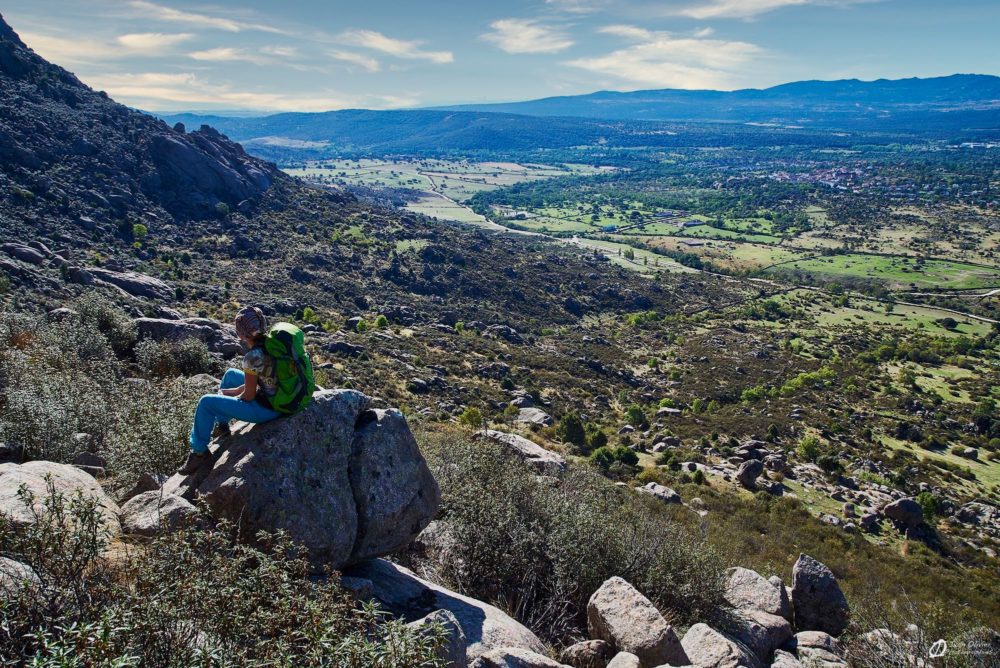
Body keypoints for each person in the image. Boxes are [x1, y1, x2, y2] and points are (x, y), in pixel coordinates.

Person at [177, 306, 281, 474]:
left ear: (241, 334)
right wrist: (230, 393)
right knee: (231, 374)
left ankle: (199, 453)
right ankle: (223, 425)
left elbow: (248, 395)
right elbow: (261, 381)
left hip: (268, 409)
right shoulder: (274, 344)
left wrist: (229, 396)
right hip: (278, 397)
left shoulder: (252, 357)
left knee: (206, 403)